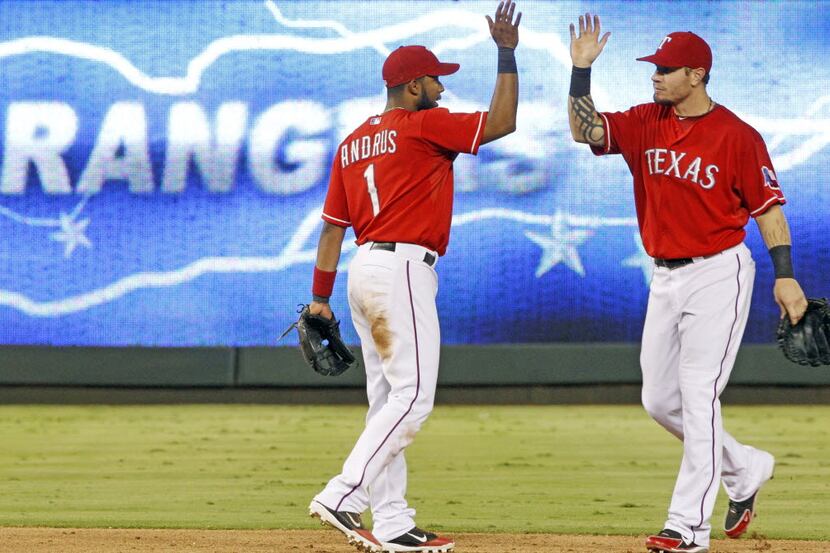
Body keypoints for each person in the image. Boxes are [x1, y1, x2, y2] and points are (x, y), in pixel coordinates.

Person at [567, 14, 808, 553]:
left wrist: (786, 277)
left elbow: (768, 209)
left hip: (720, 271)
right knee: (659, 399)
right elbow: (586, 130)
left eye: (666, 69)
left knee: (699, 395)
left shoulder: (738, 136)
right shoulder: (644, 120)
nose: (656, 75)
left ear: (697, 75)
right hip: (666, 276)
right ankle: (745, 468)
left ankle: (688, 527)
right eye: (655, 67)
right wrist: (580, 71)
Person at [306, 2, 521, 552]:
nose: (442, 89)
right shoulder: (423, 125)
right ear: (410, 87)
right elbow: (502, 122)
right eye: (435, 81)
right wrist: (506, 53)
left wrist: (319, 301)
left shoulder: (352, 142)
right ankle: (343, 494)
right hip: (401, 269)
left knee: (387, 402)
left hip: (361, 270)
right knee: (415, 395)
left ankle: (395, 522)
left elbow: (332, 230)